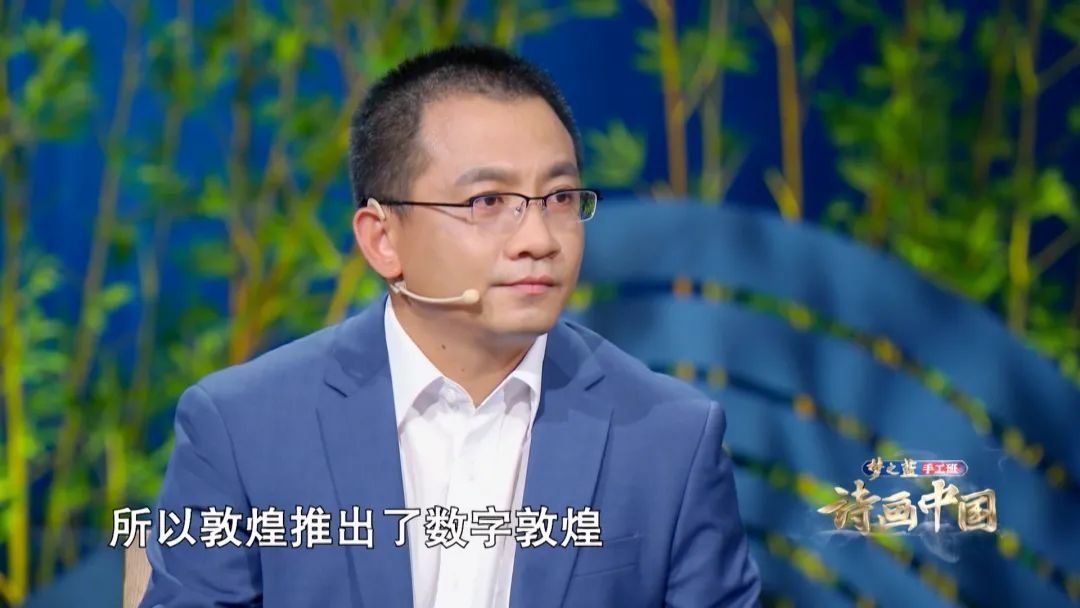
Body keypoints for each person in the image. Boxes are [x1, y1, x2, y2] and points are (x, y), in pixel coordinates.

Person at [140, 44, 761, 608]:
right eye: (487, 202)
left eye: (560, 199)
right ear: (382, 239)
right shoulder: (242, 428)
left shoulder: (671, 439)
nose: (538, 239)